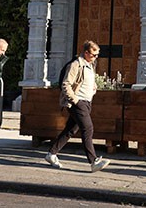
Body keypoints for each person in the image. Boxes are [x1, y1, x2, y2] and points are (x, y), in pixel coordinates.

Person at [44, 40, 110, 173]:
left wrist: (93, 87)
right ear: (86, 53)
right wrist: (75, 100)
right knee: (88, 128)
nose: (95, 58)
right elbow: (66, 84)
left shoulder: (90, 65)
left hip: (86, 102)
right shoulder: (76, 65)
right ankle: (93, 161)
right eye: (93, 55)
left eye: (97, 55)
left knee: (70, 130)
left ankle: (52, 154)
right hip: (77, 102)